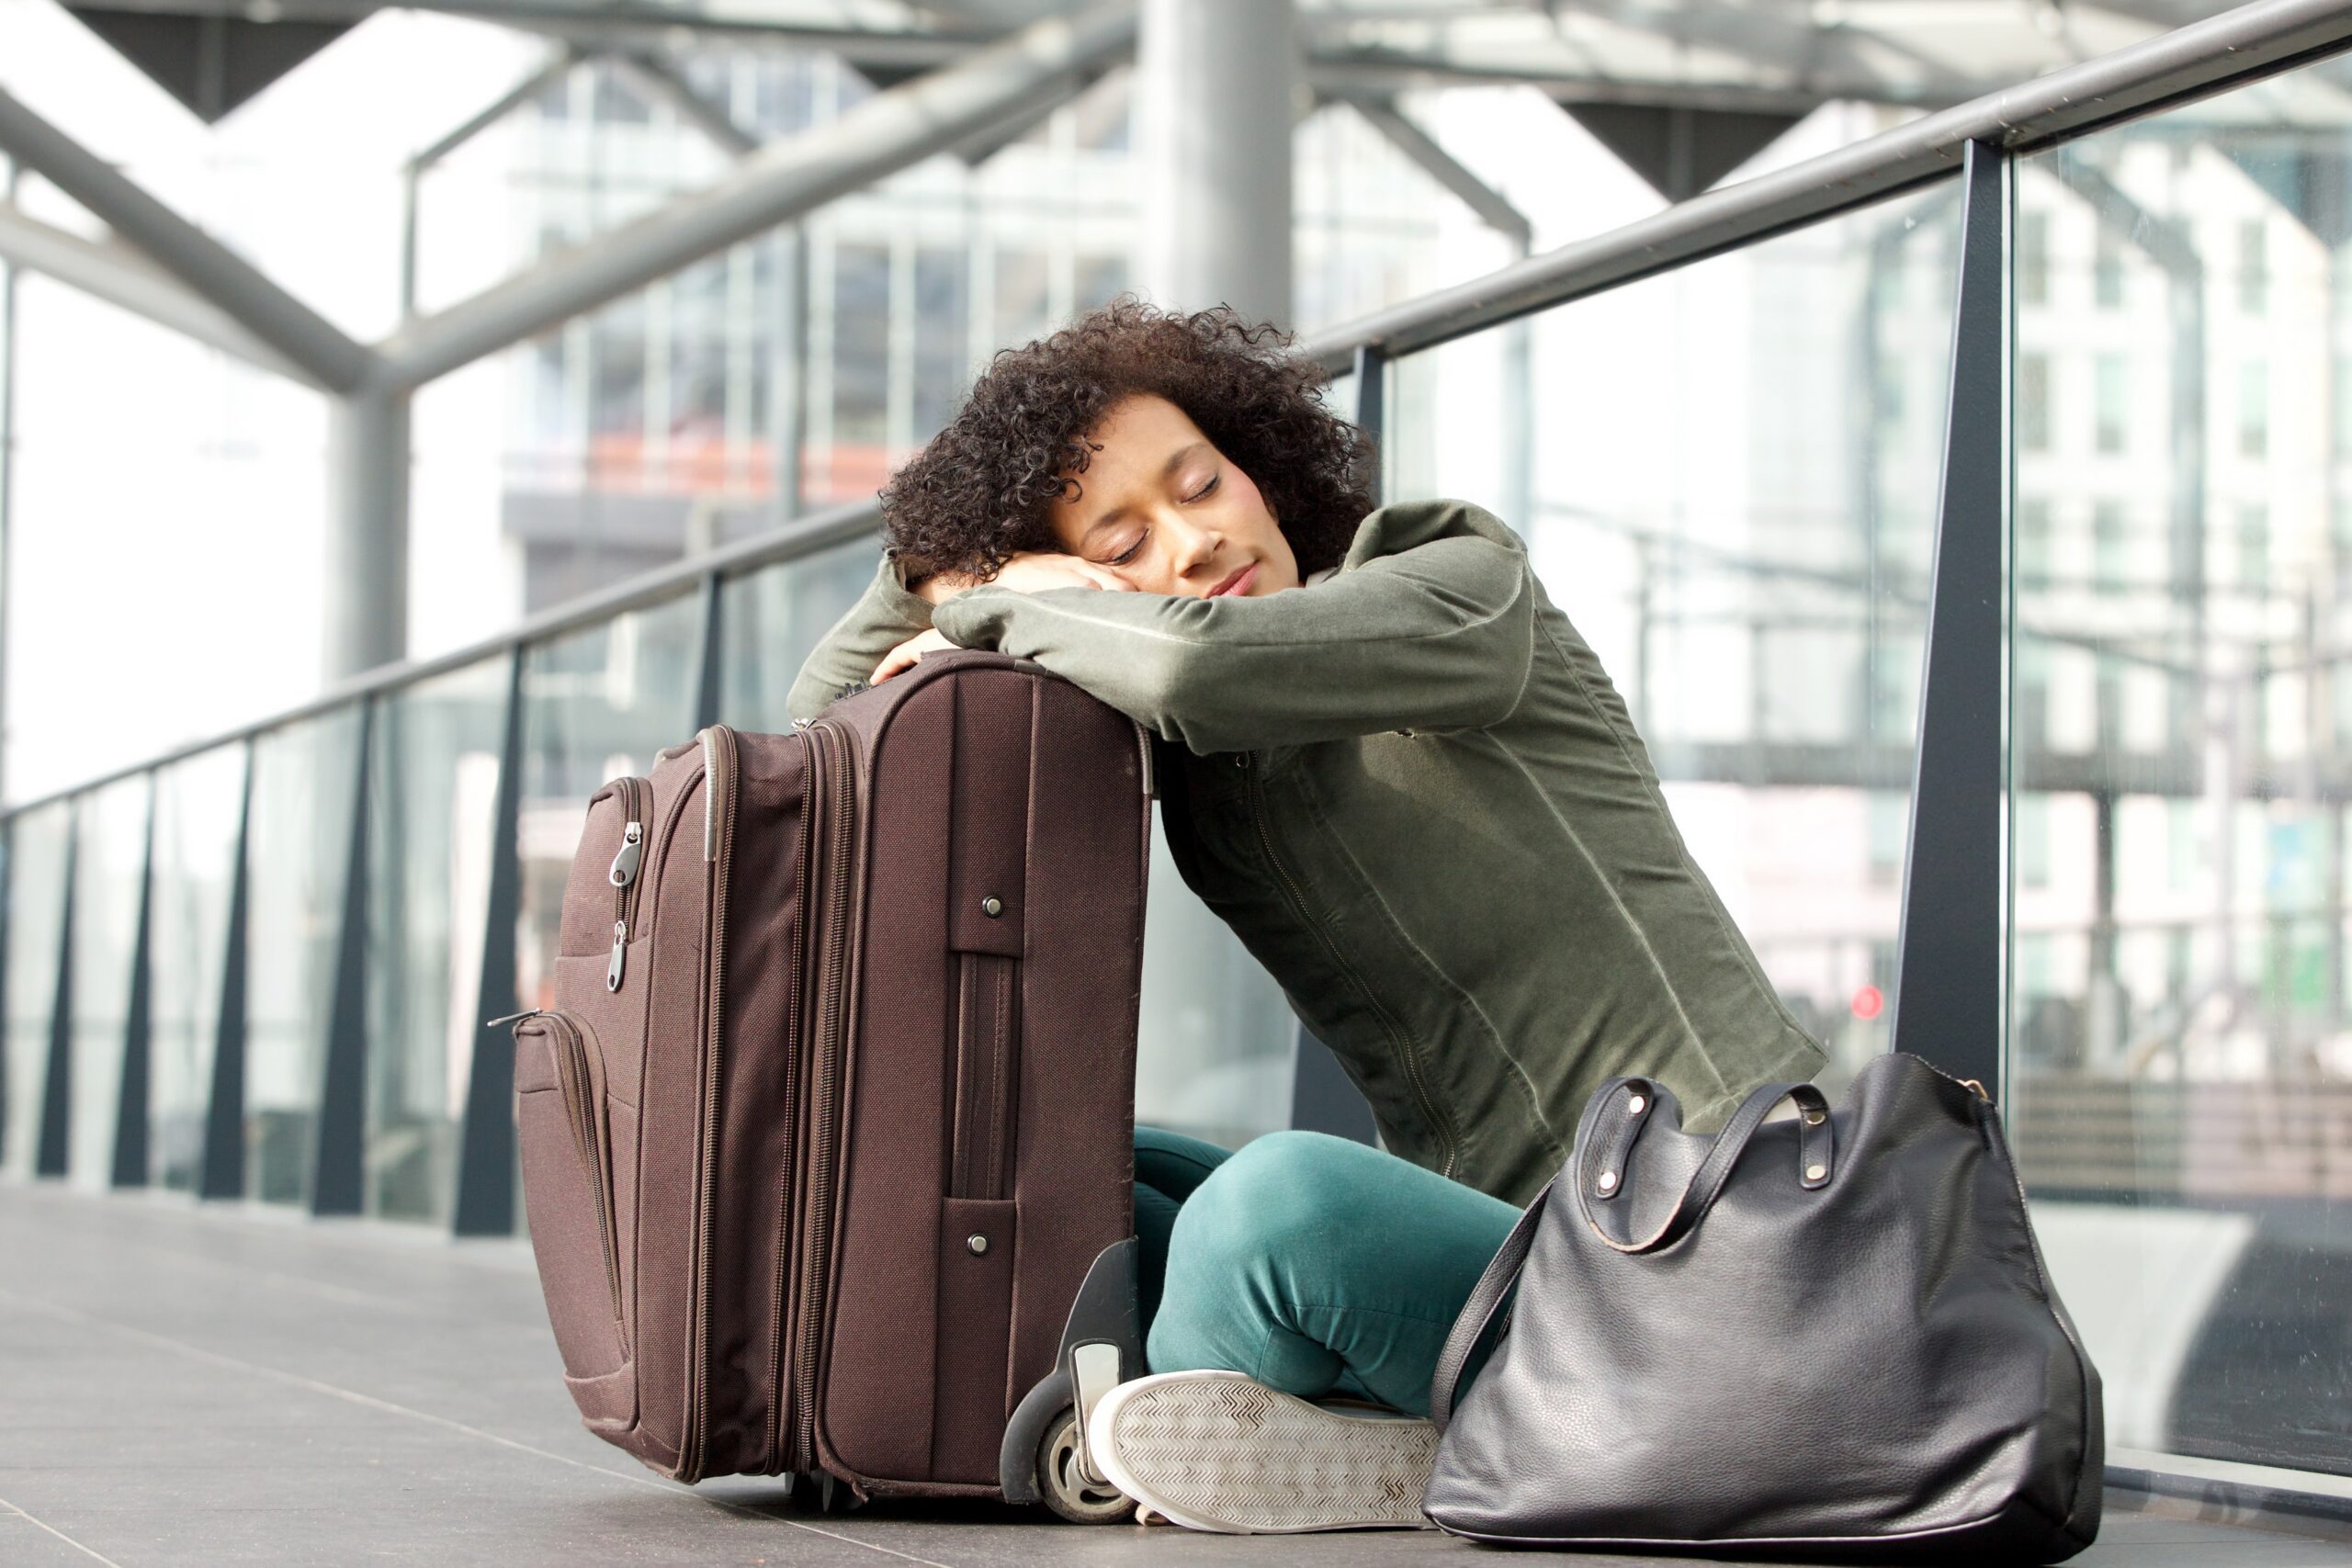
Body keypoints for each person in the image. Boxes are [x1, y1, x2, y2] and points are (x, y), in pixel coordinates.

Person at [786, 299, 1825, 1533]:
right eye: (1121, 543)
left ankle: (1156, 1454)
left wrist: (1001, 607)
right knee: (1102, 1181)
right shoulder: (1216, 771)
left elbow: (1192, 662)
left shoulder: (1459, 586)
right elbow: (824, 734)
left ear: (1261, 470)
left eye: (1200, 485)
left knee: (1277, 1209)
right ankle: (1338, 1433)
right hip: (1510, 1260)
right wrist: (943, 567)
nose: (1189, 541)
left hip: (1720, 1249)